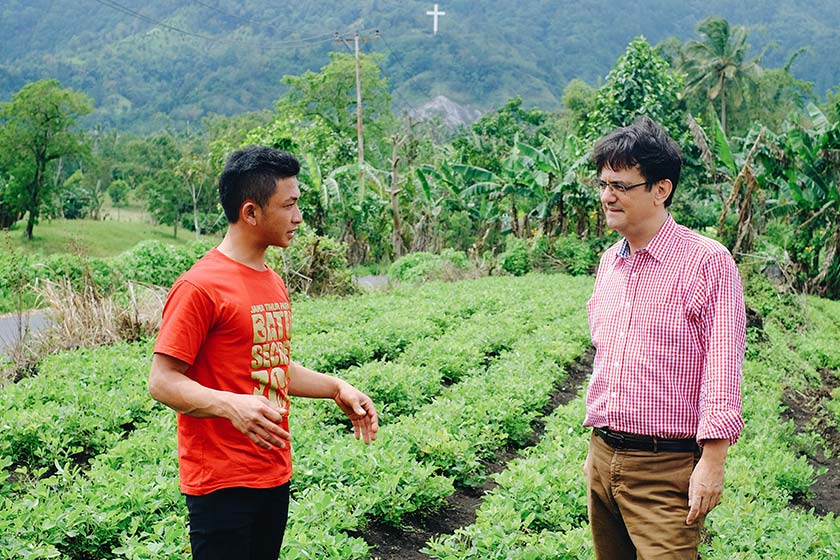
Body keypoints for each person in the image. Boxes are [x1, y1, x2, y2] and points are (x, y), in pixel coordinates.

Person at [148, 146, 379, 560]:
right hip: (222, 484)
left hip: (273, 473)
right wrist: (228, 404)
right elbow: (162, 381)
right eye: (288, 206)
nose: (299, 217)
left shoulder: (272, 281)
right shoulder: (200, 287)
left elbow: (271, 366)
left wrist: (336, 388)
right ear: (250, 212)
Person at [582, 116, 745, 559]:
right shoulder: (609, 263)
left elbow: (723, 367)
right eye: (602, 183)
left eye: (620, 185)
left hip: (664, 467)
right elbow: (606, 361)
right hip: (603, 458)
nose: (606, 196)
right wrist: (597, 453)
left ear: (661, 189)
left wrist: (712, 463)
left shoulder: (708, 262)